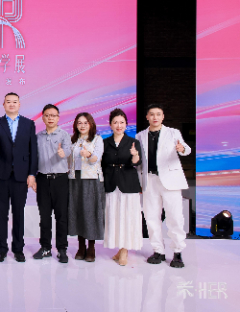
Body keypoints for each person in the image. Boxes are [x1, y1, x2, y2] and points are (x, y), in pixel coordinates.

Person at [136, 104, 191, 268]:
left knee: (175, 217)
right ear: (147, 117)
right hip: (149, 180)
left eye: (158, 114)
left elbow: (186, 149)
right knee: (151, 217)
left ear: (163, 116)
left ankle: (177, 252)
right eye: (152, 114)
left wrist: (182, 148)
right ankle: (158, 251)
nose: (155, 117)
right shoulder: (140, 136)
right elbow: (139, 161)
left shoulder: (173, 133)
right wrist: (139, 182)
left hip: (170, 180)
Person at [0, 92, 38, 263]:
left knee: (18, 213)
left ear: (19, 104)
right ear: (3, 105)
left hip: (21, 175)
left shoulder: (28, 124)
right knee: (1, 214)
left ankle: (18, 249)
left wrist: (32, 174)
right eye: (8, 102)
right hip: (1, 174)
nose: (11, 104)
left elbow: (33, 151)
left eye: (14, 102)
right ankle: (1, 249)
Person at [102, 108, 143, 266]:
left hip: (128, 183)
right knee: (114, 217)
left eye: (122, 122)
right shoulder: (105, 143)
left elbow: (137, 162)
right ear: (110, 125)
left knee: (127, 217)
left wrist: (135, 155)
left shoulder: (133, 142)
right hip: (111, 183)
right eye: (115, 122)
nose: (119, 125)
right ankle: (119, 248)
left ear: (126, 124)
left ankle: (124, 251)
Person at [34, 104, 72, 263]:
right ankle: (45, 247)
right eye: (47, 115)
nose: (50, 118)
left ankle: (62, 249)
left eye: (53, 115)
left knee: (61, 216)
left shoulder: (64, 135)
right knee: (44, 216)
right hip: (42, 179)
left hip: (60, 179)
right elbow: (33, 158)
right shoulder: (37, 136)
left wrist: (63, 152)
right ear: (43, 118)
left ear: (58, 118)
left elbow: (68, 150)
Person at [67, 112, 105, 262]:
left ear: (91, 124)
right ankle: (81, 246)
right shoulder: (73, 140)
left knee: (90, 212)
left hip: (91, 180)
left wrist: (89, 154)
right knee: (77, 212)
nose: (82, 125)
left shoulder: (97, 139)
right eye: (79, 123)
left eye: (85, 123)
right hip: (75, 179)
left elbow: (96, 158)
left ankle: (91, 247)